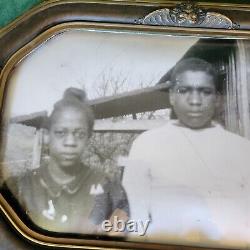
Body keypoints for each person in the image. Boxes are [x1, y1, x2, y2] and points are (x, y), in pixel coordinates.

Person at [123, 58, 250, 247]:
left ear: (217, 98)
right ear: (172, 96)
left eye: (205, 92)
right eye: (184, 91)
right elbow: (137, 220)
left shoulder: (241, 148)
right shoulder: (146, 144)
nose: (195, 101)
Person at [4, 88, 129, 234]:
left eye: (79, 134)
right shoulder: (18, 188)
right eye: (61, 132)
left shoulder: (108, 187)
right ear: (47, 136)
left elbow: (122, 236)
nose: (70, 142)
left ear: (88, 138)